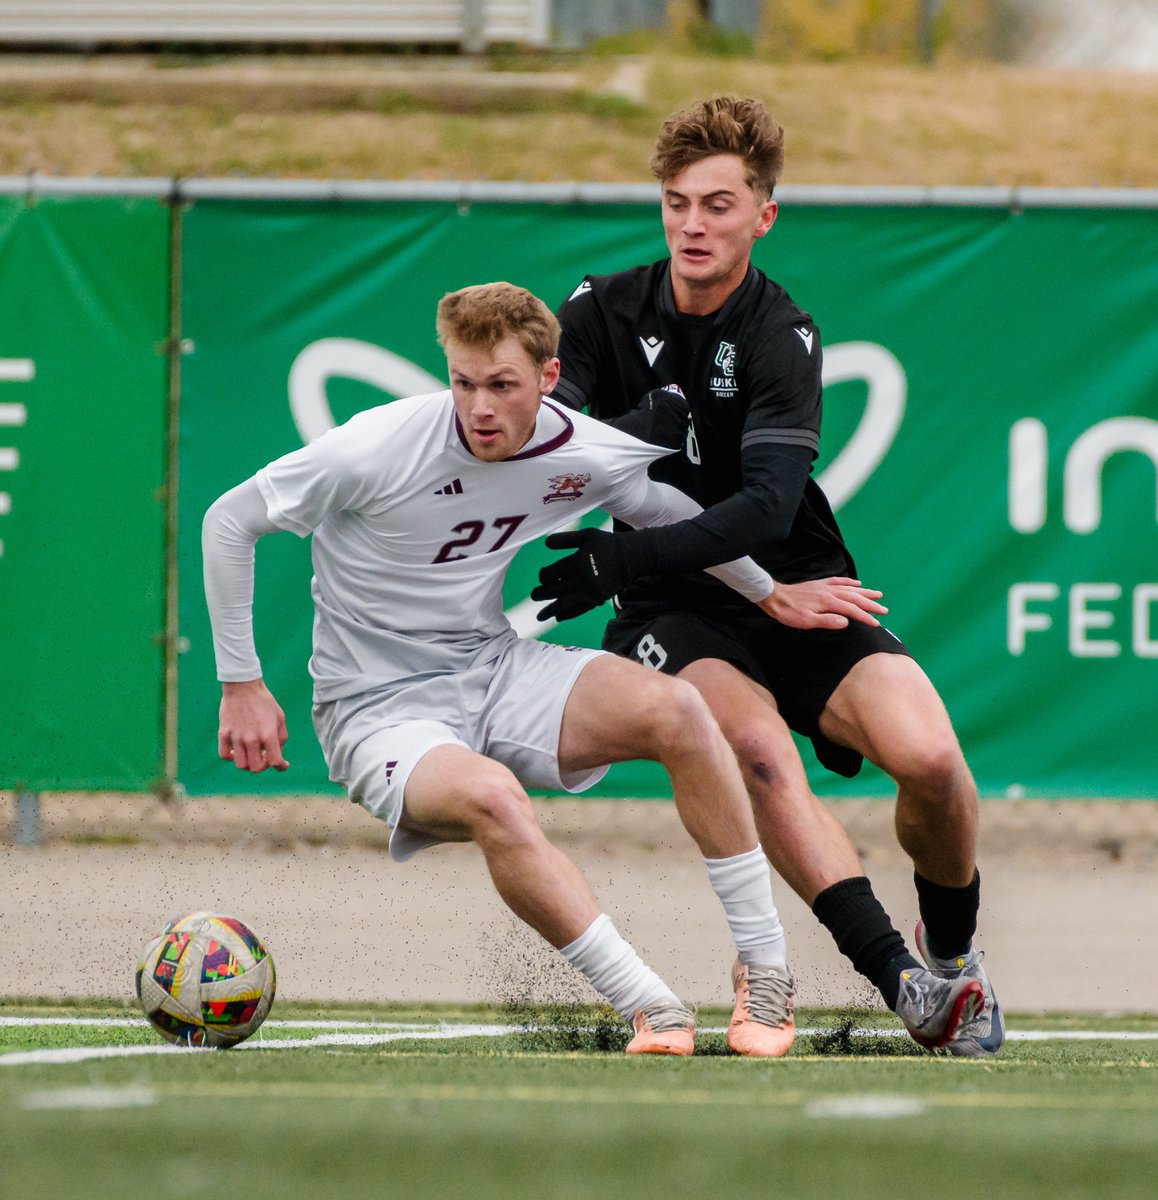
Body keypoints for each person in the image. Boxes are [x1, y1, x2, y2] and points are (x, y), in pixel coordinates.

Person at [200, 281, 893, 1058]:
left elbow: (669, 515)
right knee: (497, 800)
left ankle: (764, 975)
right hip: (377, 708)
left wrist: (772, 596)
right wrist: (242, 682)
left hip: (491, 668)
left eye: (501, 385)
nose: (479, 408)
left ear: (549, 379)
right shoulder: (374, 446)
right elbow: (229, 522)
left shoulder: (580, 447)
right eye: (463, 383)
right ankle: (652, 1008)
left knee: (684, 713)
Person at [536, 97, 1000, 1056]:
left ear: (763, 215)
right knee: (756, 756)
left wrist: (618, 552)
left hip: (799, 581)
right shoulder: (599, 310)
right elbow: (551, 443)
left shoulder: (783, 332)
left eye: (717, 204)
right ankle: (902, 984)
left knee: (936, 767)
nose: (693, 225)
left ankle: (951, 961)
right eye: (676, 204)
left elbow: (764, 509)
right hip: (675, 605)